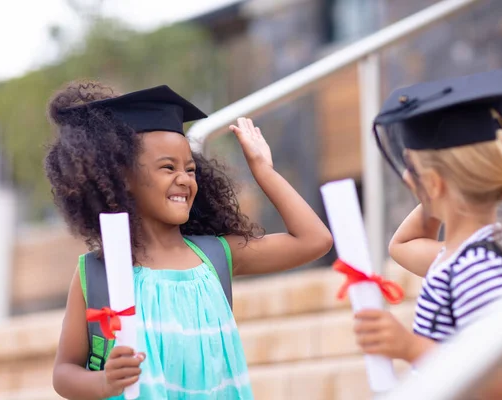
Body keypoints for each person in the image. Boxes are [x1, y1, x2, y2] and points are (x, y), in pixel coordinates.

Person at [46, 81, 333, 399]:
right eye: (168, 167)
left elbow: (314, 240)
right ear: (122, 178)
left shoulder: (216, 255)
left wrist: (263, 170)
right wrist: (105, 382)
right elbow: (64, 373)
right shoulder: (97, 273)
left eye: (191, 169)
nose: (184, 179)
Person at [352, 63, 502, 399]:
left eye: (412, 169)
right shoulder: (460, 257)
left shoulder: (477, 268)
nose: (407, 177)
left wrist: (410, 347)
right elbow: (403, 244)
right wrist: (444, 186)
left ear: (434, 184)